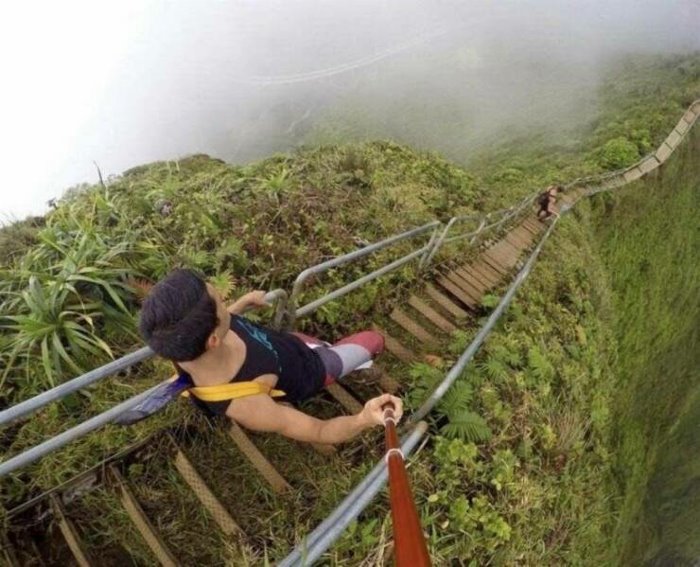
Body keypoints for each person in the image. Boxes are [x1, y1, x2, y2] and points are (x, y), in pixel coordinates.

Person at [135, 268, 402, 444]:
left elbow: (214, 325)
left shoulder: (182, 344)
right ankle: (361, 361)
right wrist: (364, 418)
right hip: (315, 369)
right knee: (373, 340)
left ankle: (327, 349)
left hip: (289, 345)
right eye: (221, 303)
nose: (227, 306)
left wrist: (241, 304)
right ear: (214, 339)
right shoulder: (248, 405)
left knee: (318, 344)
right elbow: (320, 431)